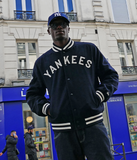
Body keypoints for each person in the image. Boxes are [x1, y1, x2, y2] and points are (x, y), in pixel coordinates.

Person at [26, 12, 119, 160]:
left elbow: (111, 76)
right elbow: (32, 94)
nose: (59, 28)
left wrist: (99, 96)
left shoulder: (89, 50)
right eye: (54, 25)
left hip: (93, 125)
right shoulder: (42, 62)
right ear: (49, 31)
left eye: (62, 24)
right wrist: (48, 109)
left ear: (69, 28)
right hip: (63, 132)